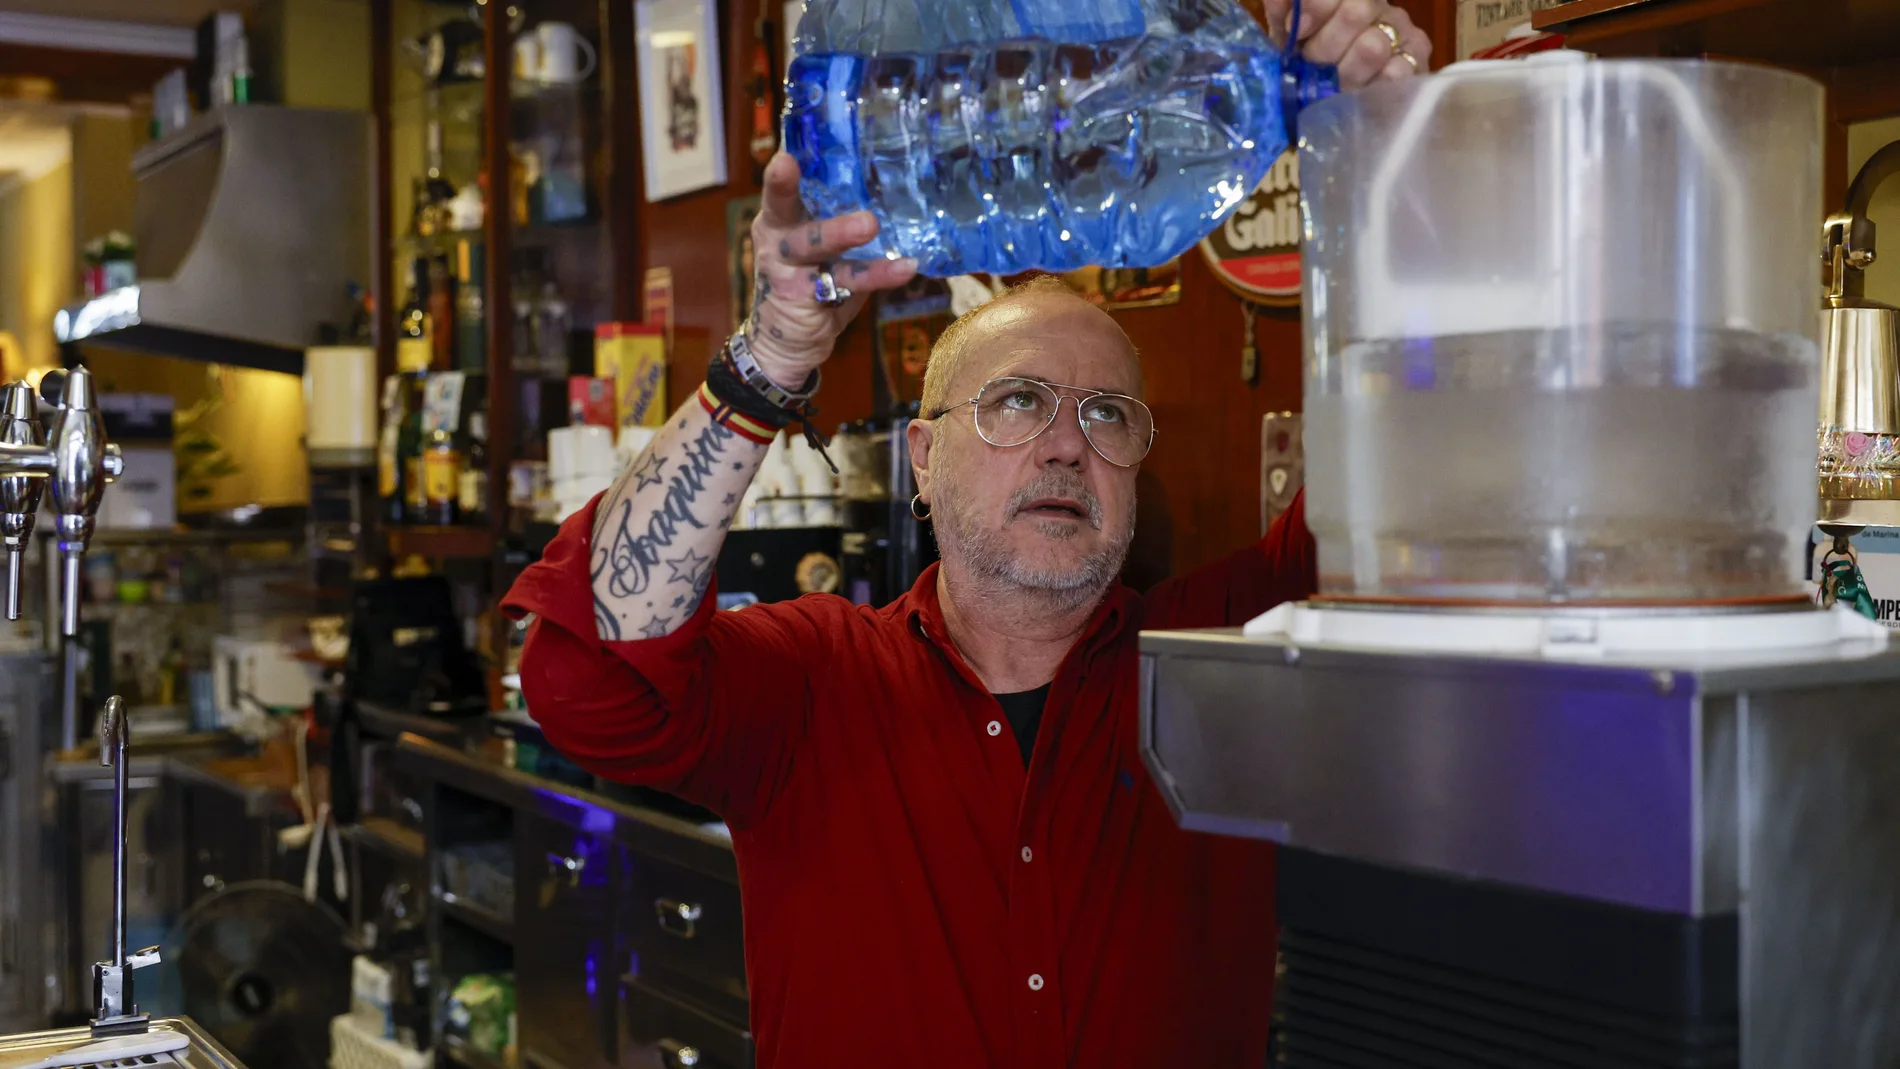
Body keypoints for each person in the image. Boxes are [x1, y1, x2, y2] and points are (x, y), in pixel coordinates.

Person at [505, 4, 1432, 1065]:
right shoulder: (815, 678)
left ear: (1137, 462)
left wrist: (1391, 153)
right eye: (1016, 402)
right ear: (922, 459)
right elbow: (586, 687)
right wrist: (772, 355)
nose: (1064, 447)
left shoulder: (1230, 654)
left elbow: (1434, 467)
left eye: (1106, 415)